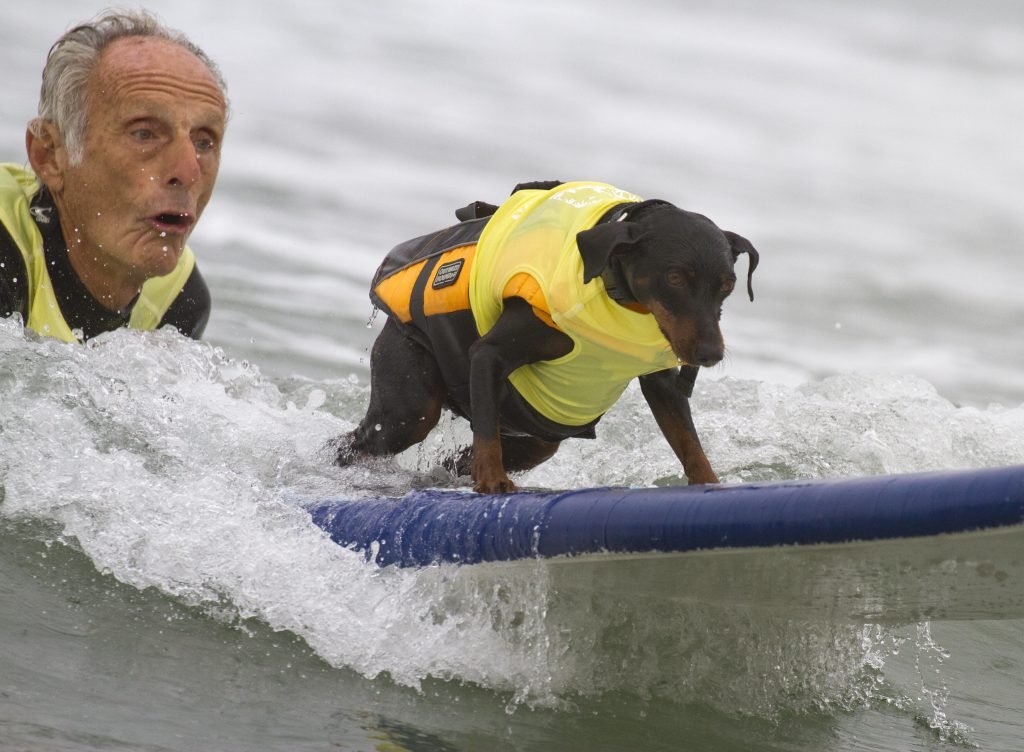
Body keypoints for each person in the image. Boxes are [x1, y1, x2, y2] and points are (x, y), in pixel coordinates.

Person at [0, 10, 228, 342]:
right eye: (145, 134)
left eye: (204, 141)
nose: (188, 172)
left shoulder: (177, 299)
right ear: (48, 156)